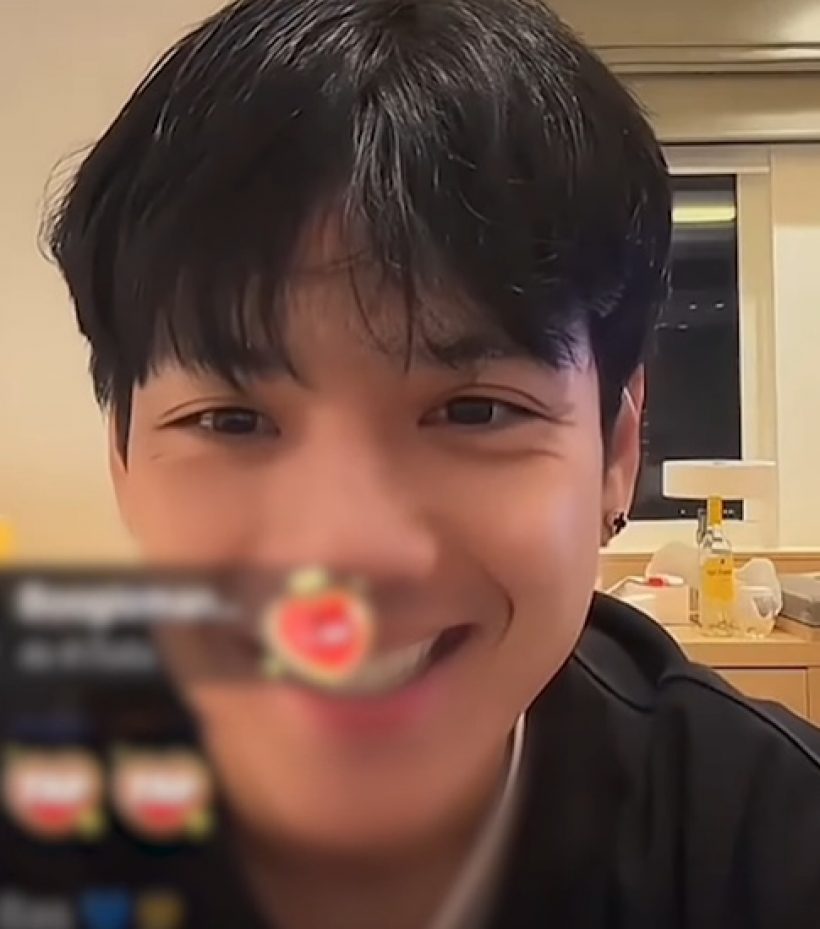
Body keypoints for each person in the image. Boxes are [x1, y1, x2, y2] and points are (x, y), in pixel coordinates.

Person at [44, 1, 820, 927]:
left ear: (617, 449)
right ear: (123, 456)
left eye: (474, 410)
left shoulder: (772, 850)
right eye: (231, 420)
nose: (343, 556)